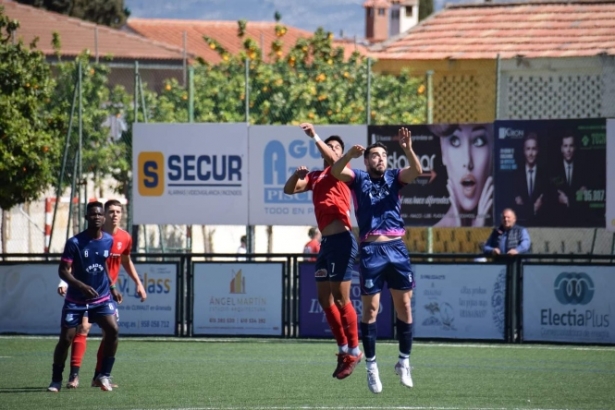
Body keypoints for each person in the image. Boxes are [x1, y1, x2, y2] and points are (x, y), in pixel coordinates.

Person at [331, 127, 422, 394]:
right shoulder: (358, 178)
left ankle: (403, 362)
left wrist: (407, 148)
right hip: (372, 251)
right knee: (370, 312)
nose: (380, 159)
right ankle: (371, 366)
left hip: (397, 249)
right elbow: (337, 171)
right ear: (366, 160)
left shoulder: (395, 177)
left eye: (383, 155)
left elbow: (416, 171)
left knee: (404, 306)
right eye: (374, 155)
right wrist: (348, 153)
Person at [283, 123, 362, 380]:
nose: (333, 150)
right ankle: (342, 349)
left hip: (341, 240)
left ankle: (354, 350)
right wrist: (297, 175)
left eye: (337, 147)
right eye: (331, 146)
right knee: (324, 299)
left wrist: (315, 136)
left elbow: (333, 157)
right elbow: (289, 189)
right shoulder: (317, 176)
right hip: (326, 245)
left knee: (341, 299)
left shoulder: (343, 172)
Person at [57, 199, 147, 389]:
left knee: (110, 332)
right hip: (85, 291)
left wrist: (137, 283)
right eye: (111, 211)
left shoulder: (123, 238)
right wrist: (64, 281)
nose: (115, 215)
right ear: (103, 214)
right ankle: (74, 375)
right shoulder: (91, 236)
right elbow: (73, 263)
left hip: (105, 292)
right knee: (83, 328)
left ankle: (100, 376)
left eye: (118, 211)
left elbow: (124, 260)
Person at [48, 202, 120, 392]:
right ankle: (56, 379)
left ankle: (103, 375)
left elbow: (102, 263)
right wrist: (80, 285)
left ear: (103, 218)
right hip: (76, 300)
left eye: (99, 214)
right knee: (66, 339)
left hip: (101, 298)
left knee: (112, 330)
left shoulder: (108, 240)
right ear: (86, 217)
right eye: (92, 214)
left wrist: (112, 286)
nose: (96, 217)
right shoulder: (75, 242)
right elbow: (63, 271)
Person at [430, 124, 493, 227]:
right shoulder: (430, 234)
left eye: (478, 141)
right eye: (455, 141)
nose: (468, 162)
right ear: (443, 151)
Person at [550, 132, 587, 225]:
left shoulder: (583, 169)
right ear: (561, 149)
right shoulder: (553, 170)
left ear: (575, 148)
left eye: (571, 146)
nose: (568, 150)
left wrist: (568, 200)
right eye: (565, 146)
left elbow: (584, 197)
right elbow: (551, 195)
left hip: (580, 219)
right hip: (558, 220)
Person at [512, 133, 548, 226]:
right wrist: (533, 209)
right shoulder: (515, 177)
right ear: (524, 151)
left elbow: (547, 207)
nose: (531, 153)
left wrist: (524, 207)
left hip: (541, 226)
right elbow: (515, 210)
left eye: (533, 149)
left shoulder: (545, 176)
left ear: (538, 150)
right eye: (528, 149)